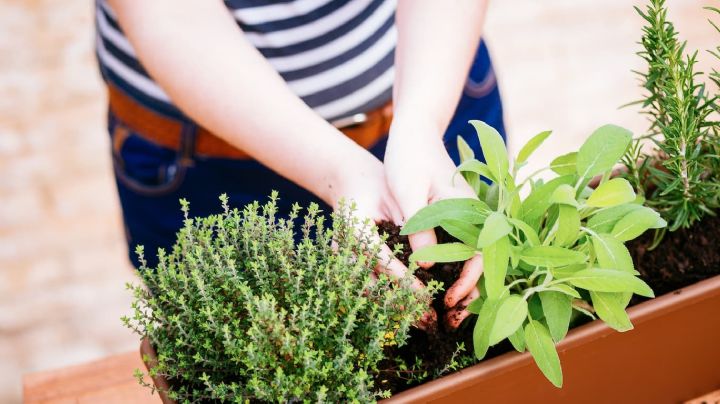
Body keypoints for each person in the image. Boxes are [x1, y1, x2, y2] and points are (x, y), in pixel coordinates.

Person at [96, 0, 505, 329]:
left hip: (432, 88)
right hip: (212, 162)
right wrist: (339, 168)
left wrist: (420, 123)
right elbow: (169, 12)